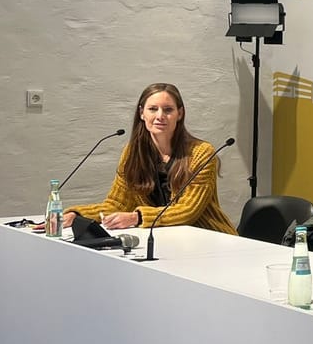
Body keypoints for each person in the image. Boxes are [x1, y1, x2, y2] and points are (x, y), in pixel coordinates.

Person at [63, 83, 237, 235]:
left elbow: (188, 210)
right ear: (141, 113)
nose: (160, 116)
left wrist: (137, 217)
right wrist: (77, 215)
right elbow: (117, 204)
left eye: (168, 110)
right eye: (153, 109)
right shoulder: (133, 153)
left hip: (208, 236)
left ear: (180, 114)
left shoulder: (201, 153)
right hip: (163, 238)